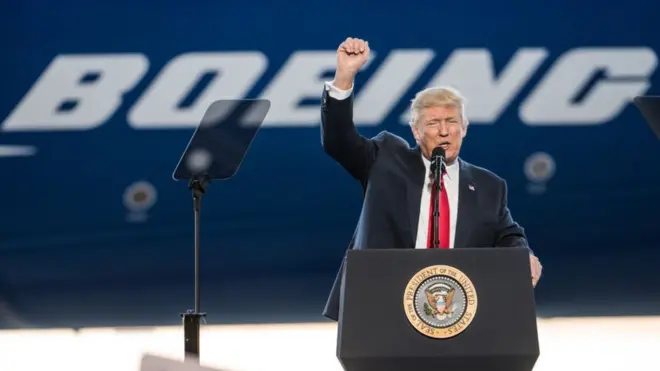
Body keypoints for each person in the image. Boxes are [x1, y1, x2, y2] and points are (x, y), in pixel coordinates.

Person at [320, 37, 543, 321]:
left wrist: (522, 255)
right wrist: (344, 76)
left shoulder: (489, 186)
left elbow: (508, 235)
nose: (443, 131)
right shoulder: (386, 159)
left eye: (451, 122)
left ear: (464, 128)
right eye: (433, 123)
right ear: (416, 131)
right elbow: (338, 141)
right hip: (383, 304)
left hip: (456, 312)